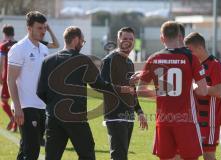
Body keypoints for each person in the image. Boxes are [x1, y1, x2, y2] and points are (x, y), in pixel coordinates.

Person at [36, 26, 133, 160]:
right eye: (82, 41)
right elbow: (99, 85)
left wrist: (53, 105)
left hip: (53, 117)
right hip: (76, 117)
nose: (82, 44)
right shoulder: (83, 60)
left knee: (52, 156)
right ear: (75, 40)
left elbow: (40, 91)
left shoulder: (47, 61)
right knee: (87, 154)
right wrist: (120, 89)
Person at [131, 21, 207, 160]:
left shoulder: (154, 59)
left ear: (162, 38)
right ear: (179, 36)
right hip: (186, 120)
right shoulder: (191, 58)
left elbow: (140, 90)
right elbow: (203, 91)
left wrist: (161, 93)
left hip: (164, 119)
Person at [100, 27, 148, 160]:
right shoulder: (108, 60)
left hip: (128, 115)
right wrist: (124, 85)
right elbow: (101, 86)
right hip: (115, 115)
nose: (128, 41)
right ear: (118, 40)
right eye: (125, 38)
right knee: (118, 156)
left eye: (131, 39)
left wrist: (139, 111)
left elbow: (132, 90)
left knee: (122, 156)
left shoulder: (129, 62)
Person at [7, 11, 48, 160]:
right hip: (25, 107)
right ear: (29, 28)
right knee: (32, 151)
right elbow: (10, 79)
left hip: (42, 106)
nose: (43, 31)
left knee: (27, 149)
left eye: (44, 28)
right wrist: (17, 107)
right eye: (39, 28)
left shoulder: (44, 49)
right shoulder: (18, 49)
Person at [184, 32, 221, 160]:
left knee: (208, 154)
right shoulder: (193, 64)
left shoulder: (215, 64)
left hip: (210, 120)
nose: (189, 55)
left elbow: (218, 92)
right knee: (191, 153)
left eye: (191, 51)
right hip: (193, 118)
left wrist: (198, 87)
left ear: (200, 48)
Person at [0, 24, 17, 131]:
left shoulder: (3, 46)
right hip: (18, 76)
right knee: (16, 101)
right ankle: (15, 126)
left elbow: (1, 63)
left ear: (4, 34)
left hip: (7, 76)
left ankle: (12, 118)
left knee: (3, 101)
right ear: (13, 33)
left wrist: (0, 77)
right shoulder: (19, 44)